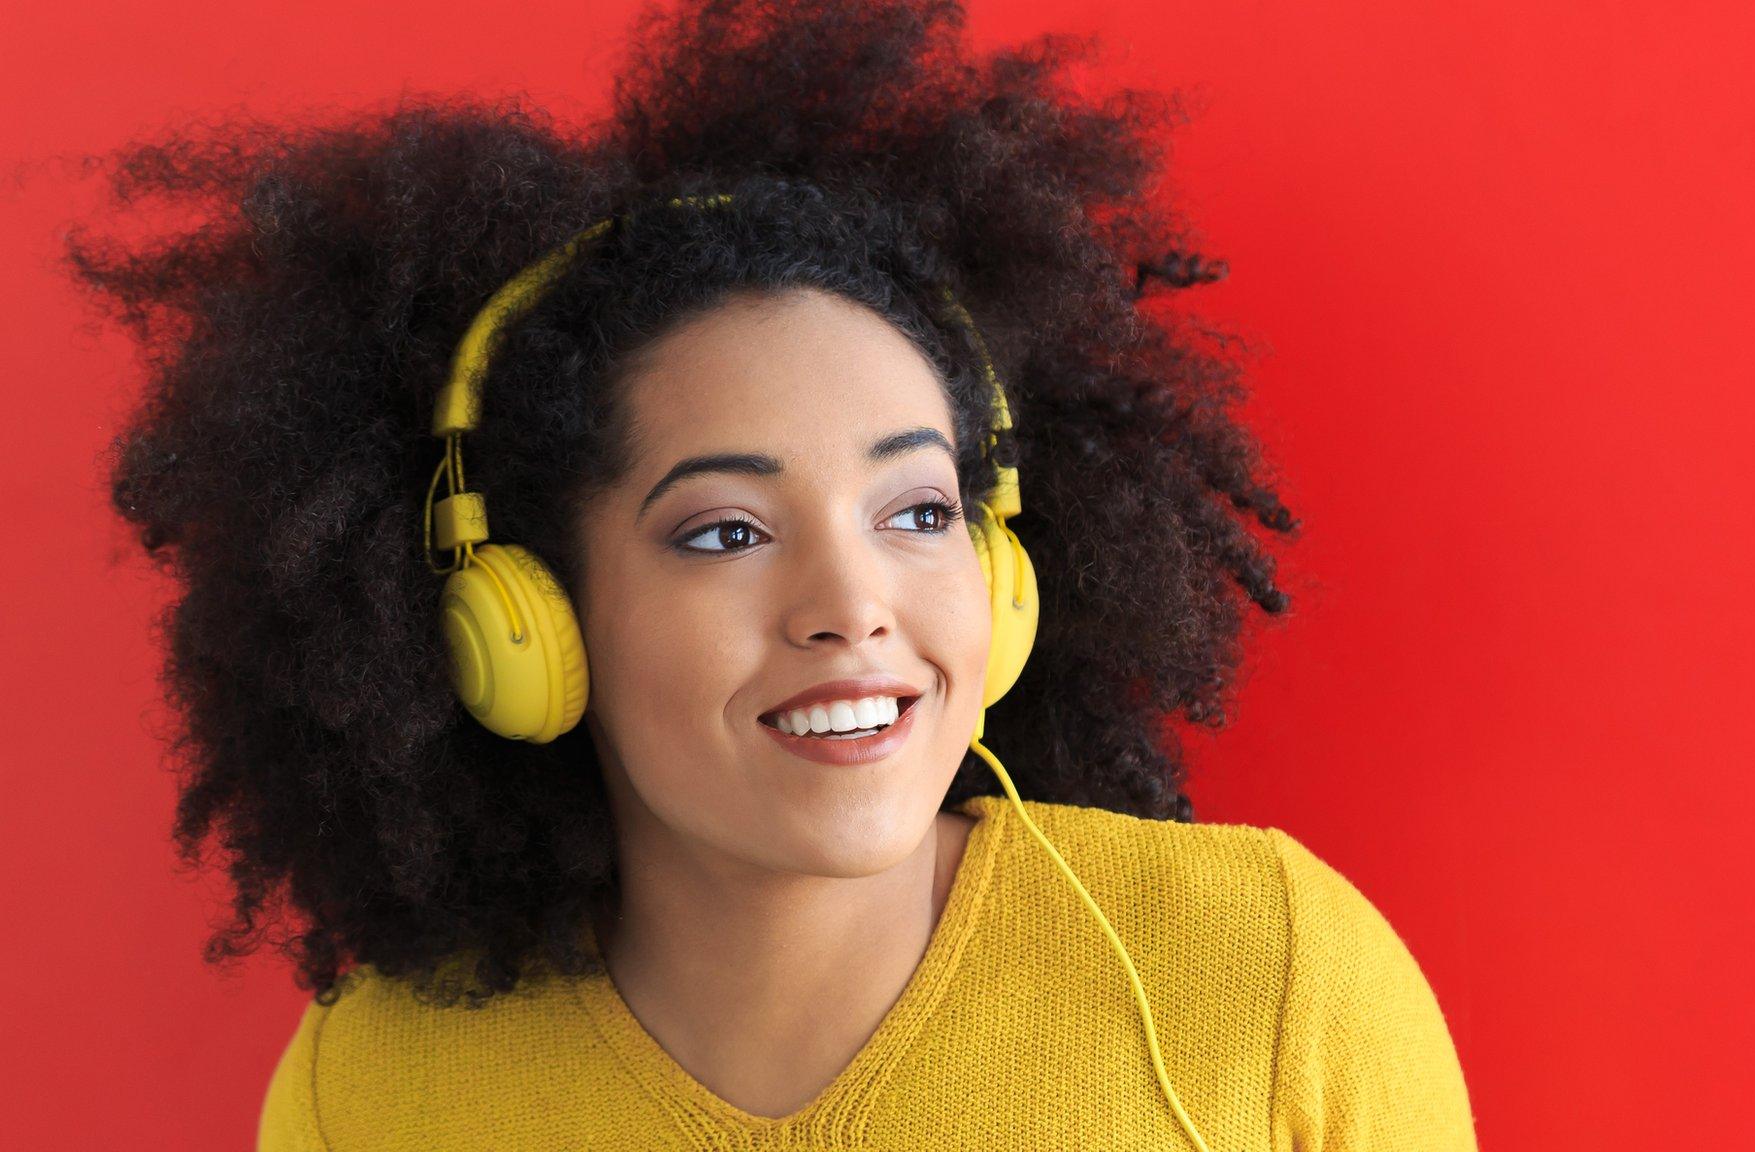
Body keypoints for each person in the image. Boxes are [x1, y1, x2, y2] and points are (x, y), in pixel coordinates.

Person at [68, 0, 1478, 1147]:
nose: (851, 603)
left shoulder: (1271, 975)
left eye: (918, 511)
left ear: (1002, 573)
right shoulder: (376, 1086)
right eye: (726, 532)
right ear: (528, 621)